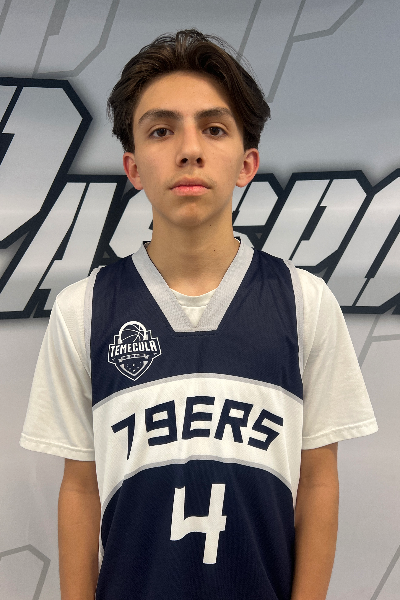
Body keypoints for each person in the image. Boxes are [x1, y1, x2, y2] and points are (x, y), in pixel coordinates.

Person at [20, 29, 378, 600]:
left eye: (214, 128)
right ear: (134, 168)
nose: (189, 149)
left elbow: (318, 481)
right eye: (161, 130)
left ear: (246, 162)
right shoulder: (82, 309)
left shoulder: (304, 302)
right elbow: (81, 489)